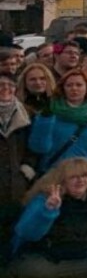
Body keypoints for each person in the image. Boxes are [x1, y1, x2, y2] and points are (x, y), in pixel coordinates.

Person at [29, 69, 87, 173]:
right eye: (69, 85)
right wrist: (45, 120)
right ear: (63, 88)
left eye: (79, 85)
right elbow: (39, 148)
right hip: (56, 174)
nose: (74, 88)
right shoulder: (50, 113)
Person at [0, 72, 35, 250]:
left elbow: (34, 146)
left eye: (10, 85)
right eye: (1, 85)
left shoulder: (27, 114)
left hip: (17, 183)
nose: (6, 89)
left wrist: (27, 169)